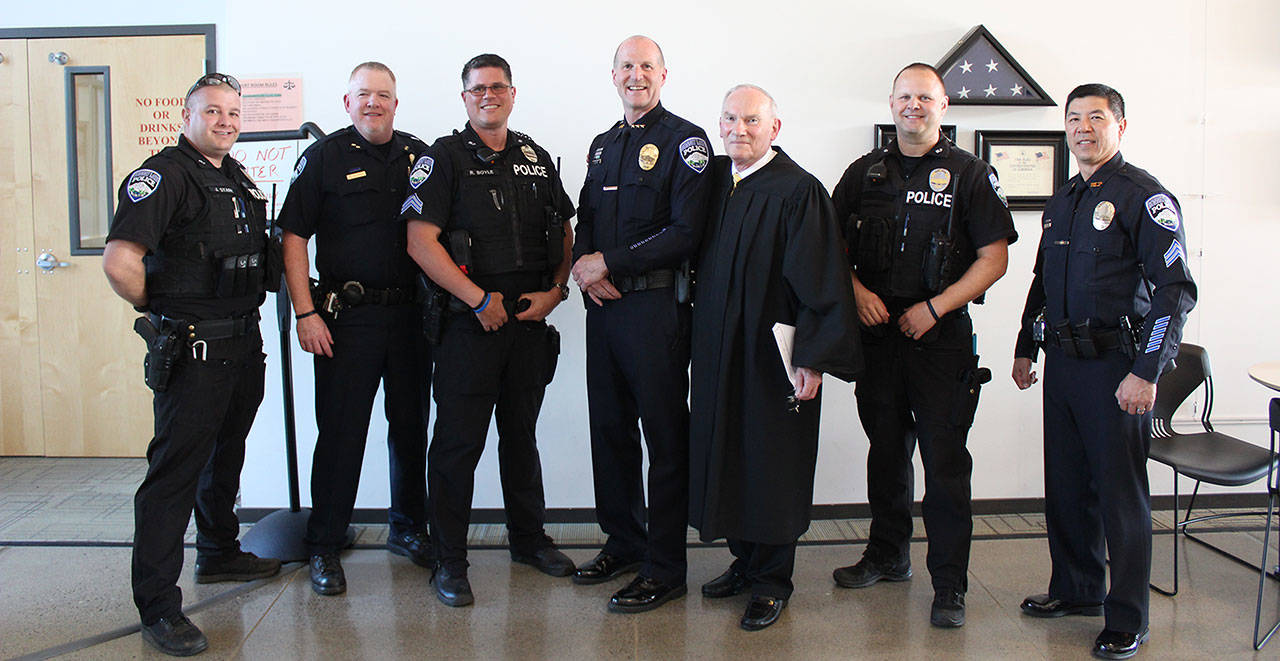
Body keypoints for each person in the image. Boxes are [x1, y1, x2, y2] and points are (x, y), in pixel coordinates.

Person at [1012, 83, 1196, 660]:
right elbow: (1043, 280)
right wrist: (1025, 344)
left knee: (1120, 497)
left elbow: (1175, 292)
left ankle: (1128, 618)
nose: (1082, 128)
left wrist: (1148, 371)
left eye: (1096, 117)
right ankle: (1076, 589)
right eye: (1073, 119)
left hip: (1117, 370)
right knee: (1066, 489)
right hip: (1064, 365)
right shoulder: (1064, 196)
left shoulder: (1145, 196)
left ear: (1120, 126)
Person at [830, 62, 1016, 628]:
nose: (915, 106)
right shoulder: (864, 174)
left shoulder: (969, 174)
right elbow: (829, 246)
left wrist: (937, 307)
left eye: (926, 98)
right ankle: (888, 555)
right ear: (891, 104)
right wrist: (858, 291)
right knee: (885, 453)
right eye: (905, 97)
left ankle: (950, 584)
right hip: (880, 338)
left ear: (944, 107)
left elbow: (995, 258)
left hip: (942, 344)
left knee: (944, 462)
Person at [103, 72, 280, 657]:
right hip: (196, 350)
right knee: (173, 475)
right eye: (213, 112)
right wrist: (162, 314)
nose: (225, 121)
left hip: (240, 345)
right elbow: (120, 260)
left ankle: (219, 551)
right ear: (187, 115)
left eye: (233, 112)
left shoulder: (234, 177)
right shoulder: (164, 177)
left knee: (227, 454)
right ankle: (157, 604)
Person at [402, 53, 576, 607]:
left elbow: (565, 232)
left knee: (521, 438)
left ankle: (528, 539)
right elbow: (419, 242)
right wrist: (478, 300)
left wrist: (555, 291)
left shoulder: (535, 157)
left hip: (527, 321)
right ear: (465, 97)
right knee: (456, 446)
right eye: (478, 88)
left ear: (512, 93)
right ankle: (449, 560)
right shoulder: (443, 158)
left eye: (497, 87)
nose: (488, 96)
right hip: (467, 326)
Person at [690, 84, 861, 631]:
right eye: (731, 120)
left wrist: (811, 358)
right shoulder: (715, 183)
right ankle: (744, 563)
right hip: (719, 350)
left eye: (752, 121)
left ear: (775, 128)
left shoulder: (798, 191)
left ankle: (771, 580)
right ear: (719, 125)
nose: (740, 130)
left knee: (771, 459)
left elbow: (822, 280)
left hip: (774, 354)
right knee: (727, 449)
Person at [276, 62, 431, 596]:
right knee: (342, 434)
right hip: (347, 319)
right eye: (363, 94)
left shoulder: (420, 156)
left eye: (383, 95)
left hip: (411, 317)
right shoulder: (322, 158)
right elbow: (293, 237)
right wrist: (305, 312)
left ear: (395, 102)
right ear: (346, 102)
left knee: (411, 429)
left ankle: (409, 529)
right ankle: (324, 544)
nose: (373, 103)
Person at [570, 34, 712, 614]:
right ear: (613, 76)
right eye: (626, 66)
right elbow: (587, 218)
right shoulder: (603, 146)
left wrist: (613, 262)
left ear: (663, 74)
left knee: (663, 437)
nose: (636, 75)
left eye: (645, 66)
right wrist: (584, 266)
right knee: (610, 430)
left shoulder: (687, 143)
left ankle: (665, 565)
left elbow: (686, 232)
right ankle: (623, 541)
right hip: (604, 309)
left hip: (655, 311)